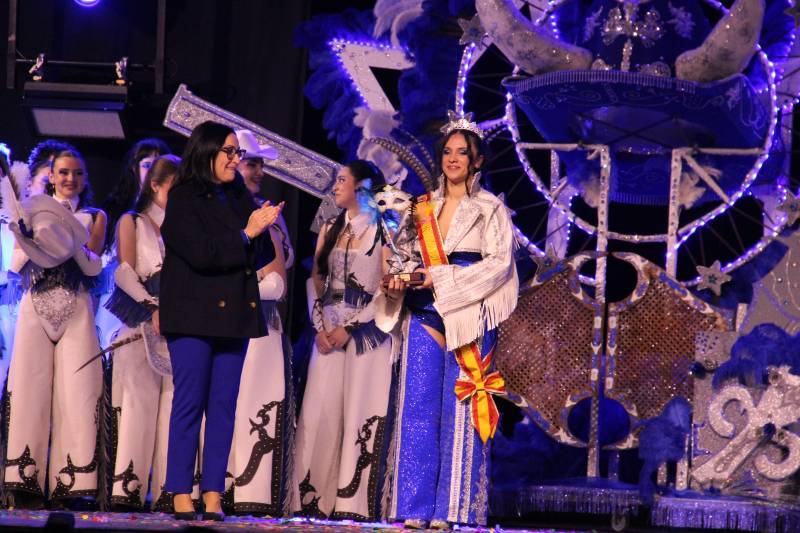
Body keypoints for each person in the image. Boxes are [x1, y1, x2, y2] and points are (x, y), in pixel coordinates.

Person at [378, 115, 518, 528]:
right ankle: (414, 508)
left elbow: (498, 266)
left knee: (458, 411)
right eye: (447, 151)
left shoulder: (491, 209)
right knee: (417, 408)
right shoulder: (422, 206)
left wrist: (439, 277)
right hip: (425, 309)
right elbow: (407, 257)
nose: (453, 158)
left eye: (462, 152)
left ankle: (452, 509)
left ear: (477, 161)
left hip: (468, 313)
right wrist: (398, 277)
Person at [159, 121, 282, 521]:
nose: (235, 160)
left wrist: (264, 229)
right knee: (190, 402)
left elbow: (258, 255)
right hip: (194, 315)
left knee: (223, 406)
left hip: (233, 317)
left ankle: (213, 491)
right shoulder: (183, 196)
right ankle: (180, 490)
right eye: (229, 152)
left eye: (237, 153)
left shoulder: (237, 195)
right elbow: (202, 253)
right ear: (207, 152)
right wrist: (247, 234)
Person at [3, 148, 107, 509]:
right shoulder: (33, 211)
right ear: (51, 175)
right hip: (36, 307)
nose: (70, 179)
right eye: (63, 172)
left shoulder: (94, 216)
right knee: (29, 390)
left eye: (77, 173)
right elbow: (15, 264)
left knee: (77, 394)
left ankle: (73, 486)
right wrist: (27, 235)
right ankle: (25, 483)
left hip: (76, 309)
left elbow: (93, 268)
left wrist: (66, 236)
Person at [292, 160, 394, 520]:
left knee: (360, 410)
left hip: (367, 332)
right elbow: (315, 282)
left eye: (342, 180)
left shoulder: (384, 231)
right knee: (321, 409)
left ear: (363, 187)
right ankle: (314, 497)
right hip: (328, 331)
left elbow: (388, 290)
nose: (335, 187)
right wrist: (320, 326)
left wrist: (351, 328)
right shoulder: (331, 228)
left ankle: (355, 502)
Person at [224, 130, 293, 515]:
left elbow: (277, 283)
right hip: (227, 324)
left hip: (260, 325)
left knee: (255, 404)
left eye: (258, 165)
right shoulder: (224, 211)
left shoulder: (268, 218)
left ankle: (251, 492)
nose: (256, 171)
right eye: (250, 163)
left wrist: (230, 287)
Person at [105, 154, 179, 510]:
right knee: (139, 404)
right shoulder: (131, 221)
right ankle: (128, 491)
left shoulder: (185, 226)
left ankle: (170, 491)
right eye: (175, 187)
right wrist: (152, 306)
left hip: (180, 322)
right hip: (142, 316)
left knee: (173, 407)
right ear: (155, 185)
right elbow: (124, 271)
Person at [102, 138, 171, 252]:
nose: (153, 173)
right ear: (134, 168)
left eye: (158, 167)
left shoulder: (174, 205)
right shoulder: (115, 206)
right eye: (147, 165)